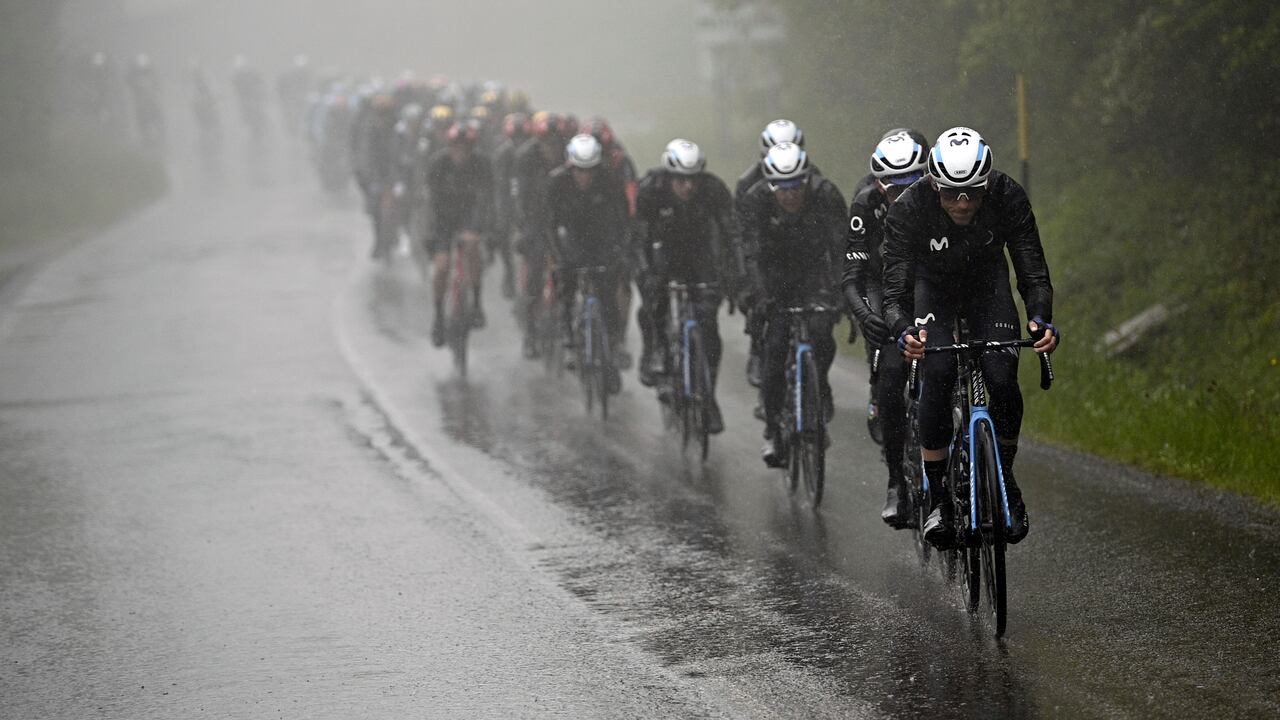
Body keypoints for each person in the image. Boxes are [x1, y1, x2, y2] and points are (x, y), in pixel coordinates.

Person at [882, 127, 1059, 547]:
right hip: (933, 291)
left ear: (986, 185)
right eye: (950, 194)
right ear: (933, 184)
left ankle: (1007, 481)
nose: (962, 204)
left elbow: (1033, 272)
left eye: (972, 194)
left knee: (1001, 379)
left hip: (988, 288)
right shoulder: (909, 208)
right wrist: (904, 331)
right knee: (938, 371)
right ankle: (941, 498)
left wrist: (1039, 320)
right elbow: (894, 292)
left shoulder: (1008, 195)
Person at [841, 129, 929, 527]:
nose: (903, 198)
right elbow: (853, 276)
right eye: (894, 190)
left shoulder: (942, 197)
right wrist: (865, 317)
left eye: (911, 186)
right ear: (879, 185)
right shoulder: (864, 204)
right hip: (881, 284)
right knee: (892, 378)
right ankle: (896, 481)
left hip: (928, 281)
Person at [739, 142, 846, 466]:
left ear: (806, 180)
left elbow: (842, 248)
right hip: (774, 279)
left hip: (813, 274)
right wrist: (758, 297)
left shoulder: (825, 194)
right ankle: (773, 430)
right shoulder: (756, 200)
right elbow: (749, 255)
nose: (789, 195)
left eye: (795, 186)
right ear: (770, 185)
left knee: (821, 333)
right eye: (781, 188)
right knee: (773, 357)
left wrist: (842, 292)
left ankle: (820, 387)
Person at [633, 139, 745, 433]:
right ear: (669, 177)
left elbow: (732, 234)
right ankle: (655, 351)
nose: (688, 187)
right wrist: (646, 273)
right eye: (681, 181)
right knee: (652, 302)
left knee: (708, 326)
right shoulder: (651, 190)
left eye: (693, 180)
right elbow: (639, 238)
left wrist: (734, 275)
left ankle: (708, 396)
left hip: (699, 255)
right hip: (662, 253)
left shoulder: (713, 189)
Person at [547, 134, 632, 392]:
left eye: (589, 171)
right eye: (579, 171)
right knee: (566, 282)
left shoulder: (610, 181)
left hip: (601, 237)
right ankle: (569, 339)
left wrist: (620, 251)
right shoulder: (557, 182)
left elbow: (623, 220)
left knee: (608, 295)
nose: (584, 177)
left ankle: (613, 347)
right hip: (571, 236)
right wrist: (557, 256)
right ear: (570, 168)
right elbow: (549, 225)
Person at [424, 122, 493, 346]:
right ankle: (437, 316)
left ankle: (476, 302)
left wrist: (480, 229)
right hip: (442, 220)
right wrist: (432, 236)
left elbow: (487, 200)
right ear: (449, 147)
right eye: (456, 147)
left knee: (472, 250)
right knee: (443, 267)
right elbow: (430, 204)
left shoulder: (482, 164)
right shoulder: (438, 164)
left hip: (469, 218)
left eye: (465, 148)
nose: (460, 153)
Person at [513, 111, 566, 358]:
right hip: (535, 218)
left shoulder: (570, 156)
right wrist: (523, 229)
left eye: (556, 144)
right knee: (534, 274)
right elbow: (519, 199)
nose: (551, 149)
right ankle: (530, 333)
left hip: (564, 219)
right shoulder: (525, 158)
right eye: (547, 144)